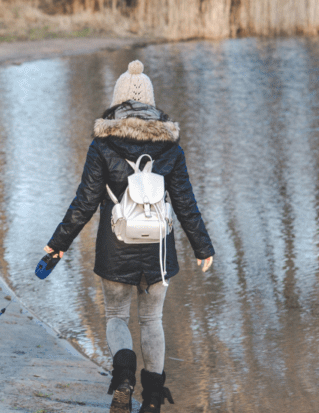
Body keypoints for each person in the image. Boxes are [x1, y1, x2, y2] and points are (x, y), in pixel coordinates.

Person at [44, 60, 214, 413]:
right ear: (151, 105)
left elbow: (85, 202)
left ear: (117, 102)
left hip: (116, 246)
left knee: (116, 316)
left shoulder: (103, 145)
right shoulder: (171, 147)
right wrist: (202, 246)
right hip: (158, 249)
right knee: (152, 321)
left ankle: (123, 377)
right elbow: (185, 201)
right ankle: (152, 399)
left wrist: (58, 243)